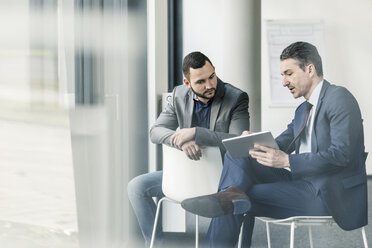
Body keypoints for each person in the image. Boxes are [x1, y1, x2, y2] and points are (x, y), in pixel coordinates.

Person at [181, 41, 368, 247]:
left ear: (309, 69)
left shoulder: (339, 98)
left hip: (327, 194)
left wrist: (288, 160)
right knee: (239, 154)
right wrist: (254, 142)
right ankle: (230, 194)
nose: (284, 82)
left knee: (243, 194)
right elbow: (279, 144)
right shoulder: (302, 111)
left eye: (288, 73)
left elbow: (342, 154)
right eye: (282, 75)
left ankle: (229, 197)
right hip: (301, 184)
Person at [127, 51, 250, 247]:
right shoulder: (179, 95)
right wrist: (181, 141)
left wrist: (195, 133)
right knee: (136, 187)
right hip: (187, 175)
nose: (210, 85)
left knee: (244, 194)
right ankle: (157, 244)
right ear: (187, 83)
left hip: (222, 179)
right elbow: (156, 131)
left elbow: (237, 140)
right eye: (201, 81)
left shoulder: (236, 98)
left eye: (212, 77)